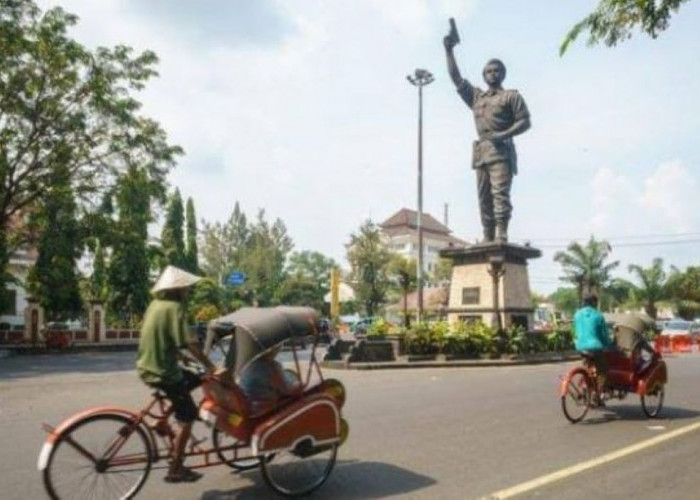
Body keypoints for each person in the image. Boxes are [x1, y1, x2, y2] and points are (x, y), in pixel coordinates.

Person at [444, 24, 531, 243]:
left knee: (500, 195)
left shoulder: (511, 97)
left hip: (501, 151)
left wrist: (502, 135)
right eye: (489, 71)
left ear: (503, 74)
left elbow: (525, 122)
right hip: (481, 152)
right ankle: (487, 235)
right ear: (483, 75)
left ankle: (501, 234)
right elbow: (456, 78)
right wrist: (449, 50)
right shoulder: (477, 98)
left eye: (496, 70)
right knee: (483, 199)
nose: (493, 74)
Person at [136, 265, 216, 483]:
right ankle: (176, 468)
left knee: (194, 378)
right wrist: (211, 366)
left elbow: (166, 340)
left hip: (147, 366)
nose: (189, 291)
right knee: (188, 416)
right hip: (163, 371)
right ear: (178, 289)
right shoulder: (175, 308)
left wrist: (184, 360)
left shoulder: (155, 305)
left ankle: (161, 421)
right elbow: (191, 344)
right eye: (187, 288)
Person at [573, 295, 613, 405]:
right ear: (594, 303)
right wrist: (609, 345)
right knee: (603, 370)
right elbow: (604, 336)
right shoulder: (598, 316)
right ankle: (598, 394)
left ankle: (584, 386)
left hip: (580, 346)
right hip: (595, 347)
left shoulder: (577, 315)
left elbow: (574, 332)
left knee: (587, 367)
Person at [237, 346, 301, 415]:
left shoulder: (246, 367)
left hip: (251, 406)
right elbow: (286, 389)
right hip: (268, 410)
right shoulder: (271, 367)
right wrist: (298, 385)